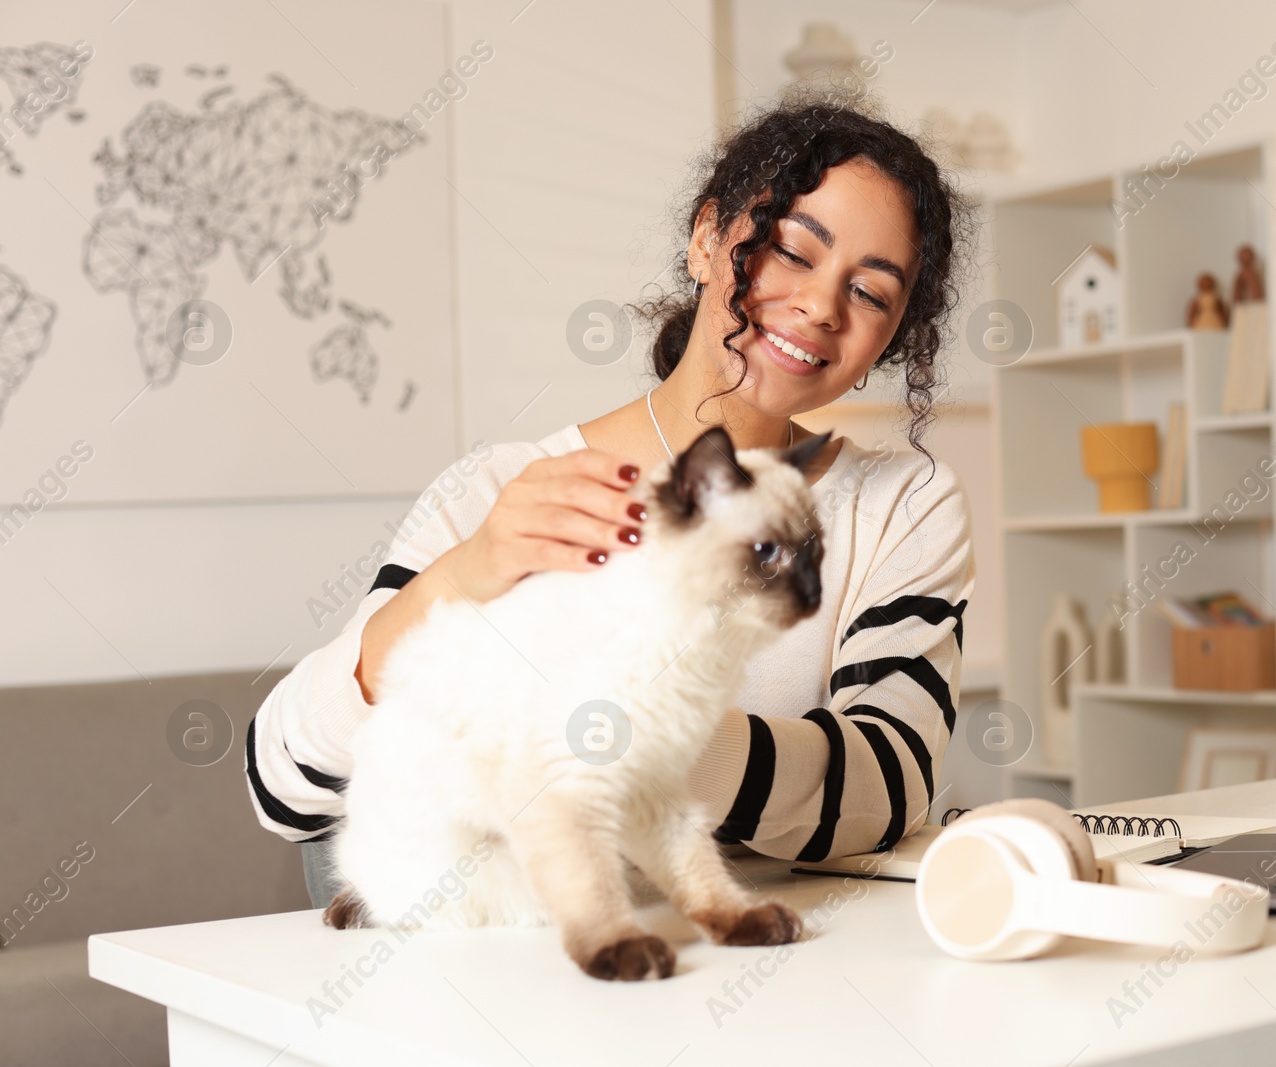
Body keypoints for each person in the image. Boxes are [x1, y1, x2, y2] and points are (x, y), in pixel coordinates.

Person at [245, 89, 981, 909]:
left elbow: (886, 785)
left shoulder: (901, 504)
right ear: (707, 240)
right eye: (793, 252)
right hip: (511, 973)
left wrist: (632, 715)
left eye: (872, 293)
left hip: (773, 967)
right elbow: (283, 789)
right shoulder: (502, 492)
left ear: (893, 334)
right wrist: (465, 574)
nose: (819, 306)